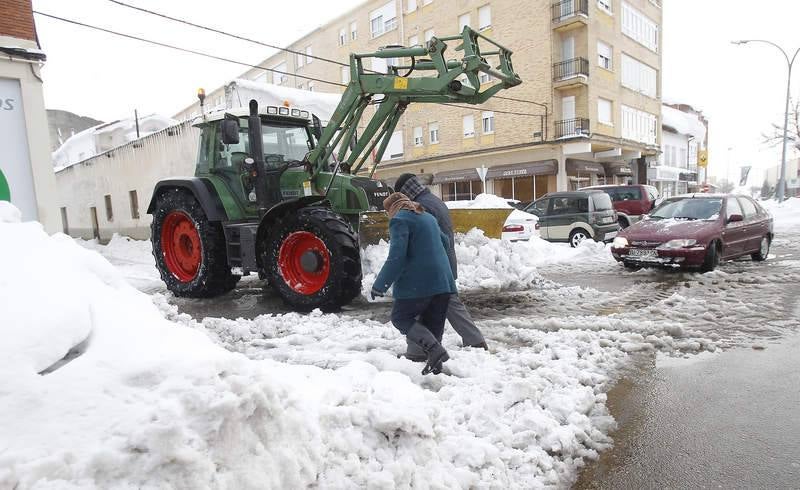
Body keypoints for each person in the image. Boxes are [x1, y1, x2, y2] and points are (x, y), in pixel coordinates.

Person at [392, 173, 488, 361]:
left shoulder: (422, 207)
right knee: (450, 303)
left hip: (432, 267)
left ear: (405, 192)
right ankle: (475, 340)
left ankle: (417, 351)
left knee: (418, 305)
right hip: (444, 262)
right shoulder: (434, 200)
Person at [371, 192, 456, 375]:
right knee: (433, 327)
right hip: (443, 282)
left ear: (392, 208)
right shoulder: (427, 217)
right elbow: (446, 241)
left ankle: (434, 350)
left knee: (400, 318)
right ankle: (436, 368)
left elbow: (396, 258)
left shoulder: (399, 220)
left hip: (421, 283)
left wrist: (380, 285)